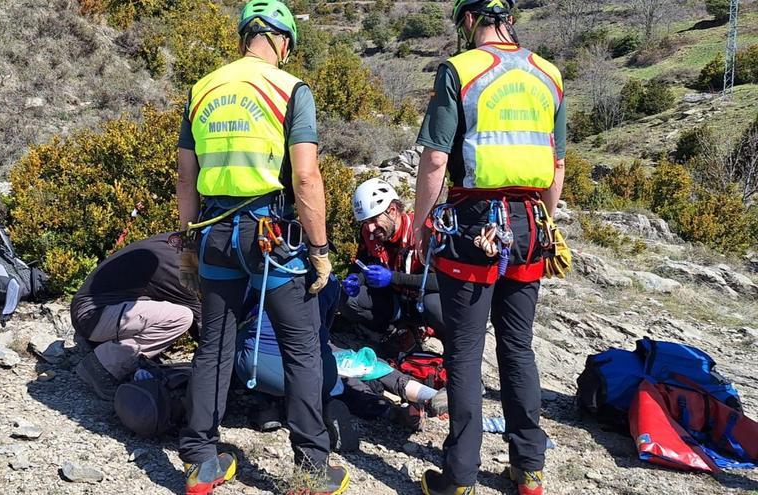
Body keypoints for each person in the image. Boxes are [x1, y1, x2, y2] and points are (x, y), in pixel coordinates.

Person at [175, 1, 347, 493]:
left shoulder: (202, 89)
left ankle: (201, 461)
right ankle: (313, 468)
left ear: (245, 36)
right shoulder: (291, 90)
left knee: (214, 347)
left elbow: (187, 179)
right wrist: (319, 248)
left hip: (214, 233)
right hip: (272, 236)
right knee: (301, 347)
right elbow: (307, 176)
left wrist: (189, 243)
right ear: (283, 41)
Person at [413, 1, 566, 494]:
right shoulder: (549, 73)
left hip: (473, 225)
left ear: (468, 21)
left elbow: (437, 158)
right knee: (518, 347)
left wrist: (420, 223)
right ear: (510, 20)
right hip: (528, 225)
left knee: (464, 352)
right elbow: (556, 166)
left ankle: (459, 476)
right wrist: (544, 222)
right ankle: (529, 467)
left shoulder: (460, 70)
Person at [235, 275, 448, 436]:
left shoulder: (259, 275)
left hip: (256, 366)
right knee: (357, 364)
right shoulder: (328, 281)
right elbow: (322, 333)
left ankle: (269, 406)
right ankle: (427, 396)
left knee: (336, 381)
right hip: (306, 350)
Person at [70, 233, 201, 400]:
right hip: (92, 315)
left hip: (98, 311)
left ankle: (107, 349)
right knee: (182, 317)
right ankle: (101, 366)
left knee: (174, 312)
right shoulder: (178, 264)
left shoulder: (175, 244)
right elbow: (199, 320)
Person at [339, 178, 445, 346]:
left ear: (393, 210)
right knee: (347, 300)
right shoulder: (370, 234)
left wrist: (393, 278)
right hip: (395, 301)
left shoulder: (424, 232)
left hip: (423, 302)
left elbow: (444, 282)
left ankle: (444, 341)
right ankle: (395, 332)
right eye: (366, 222)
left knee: (434, 305)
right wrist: (356, 278)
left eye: (374, 219)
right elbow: (361, 263)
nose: (370, 228)